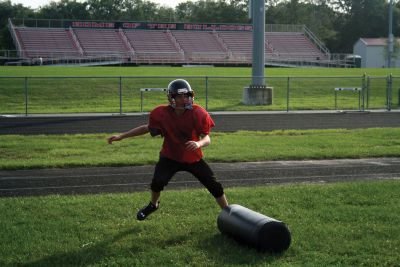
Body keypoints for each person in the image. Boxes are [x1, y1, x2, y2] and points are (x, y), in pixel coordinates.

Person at [107, 79, 228, 220]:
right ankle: (153, 204)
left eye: (186, 96)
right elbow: (146, 128)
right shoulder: (161, 114)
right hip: (170, 157)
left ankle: (227, 211)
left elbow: (207, 138)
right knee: (157, 182)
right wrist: (122, 136)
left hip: (193, 157)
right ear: (171, 98)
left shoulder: (199, 113)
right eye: (179, 96)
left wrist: (198, 144)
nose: (184, 99)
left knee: (214, 185)